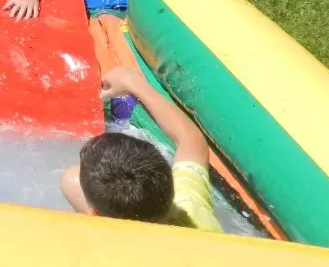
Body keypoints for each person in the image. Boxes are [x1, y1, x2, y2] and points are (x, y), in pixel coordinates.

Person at [60, 67, 222, 232]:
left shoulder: (106, 244)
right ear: (171, 188)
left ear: (94, 216)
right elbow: (191, 139)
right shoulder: (192, 209)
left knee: (71, 180)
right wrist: (135, 84)